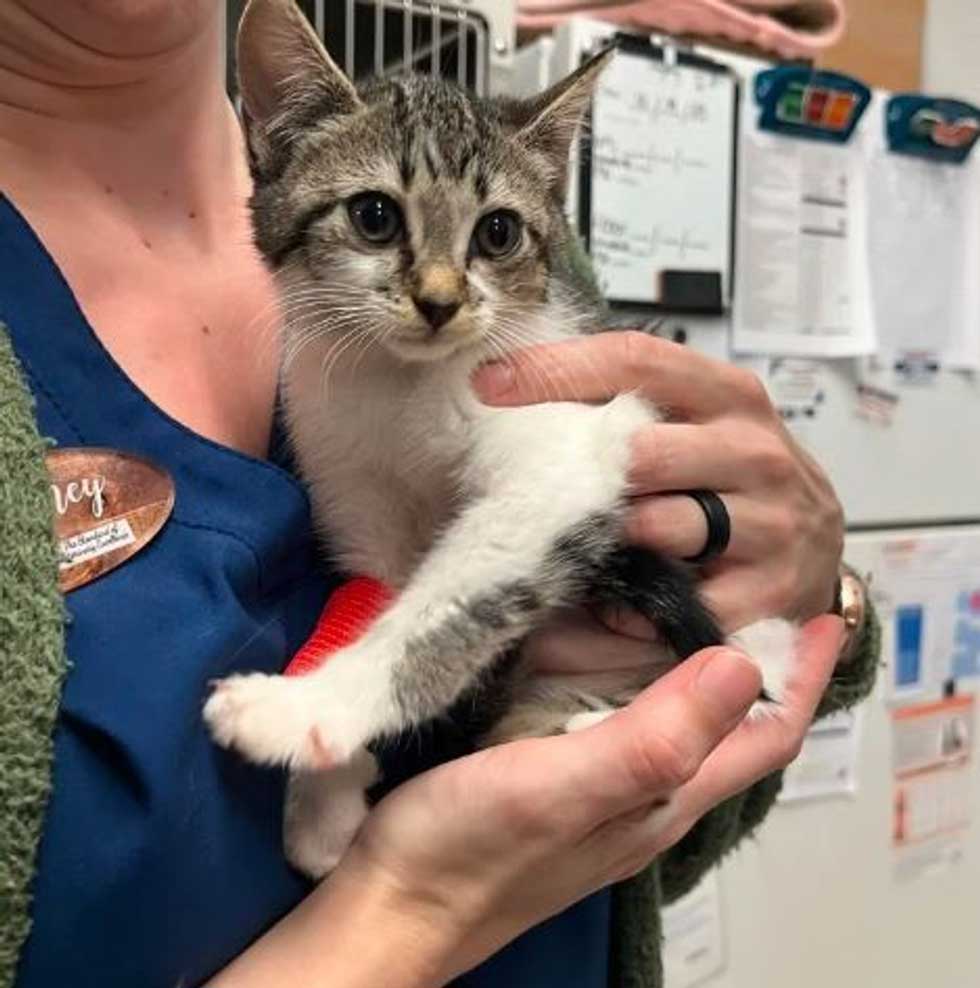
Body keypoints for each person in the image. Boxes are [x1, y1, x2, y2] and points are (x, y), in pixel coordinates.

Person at [0, 2, 877, 987]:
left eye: (494, 236)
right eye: (377, 218)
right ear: (277, 130)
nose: (441, 288)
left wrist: (817, 600)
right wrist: (414, 907)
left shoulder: (507, 266)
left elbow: (642, 849)